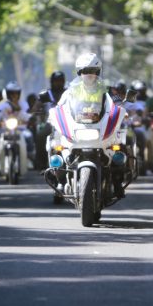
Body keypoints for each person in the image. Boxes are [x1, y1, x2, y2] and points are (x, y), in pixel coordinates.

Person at [59, 52, 127, 198]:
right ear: (79, 73)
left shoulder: (106, 89)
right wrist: (55, 112)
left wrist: (121, 108)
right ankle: (60, 180)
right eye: (85, 71)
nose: (89, 74)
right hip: (78, 127)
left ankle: (117, 183)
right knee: (60, 146)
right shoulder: (71, 90)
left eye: (93, 71)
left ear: (98, 72)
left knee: (119, 147)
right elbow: (60, 106)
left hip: (99, 126)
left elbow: (115, 101)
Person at [0, 82, 35, 170]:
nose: (14, 96)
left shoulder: (24, 104)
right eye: (12, 93)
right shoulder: (2, 105)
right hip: (5, 130)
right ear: (7, 94)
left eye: (16, 93)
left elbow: (29, 117)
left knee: (29, 136)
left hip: (21, 130)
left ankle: (29, 157)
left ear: (19, 94)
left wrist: (28, 120)